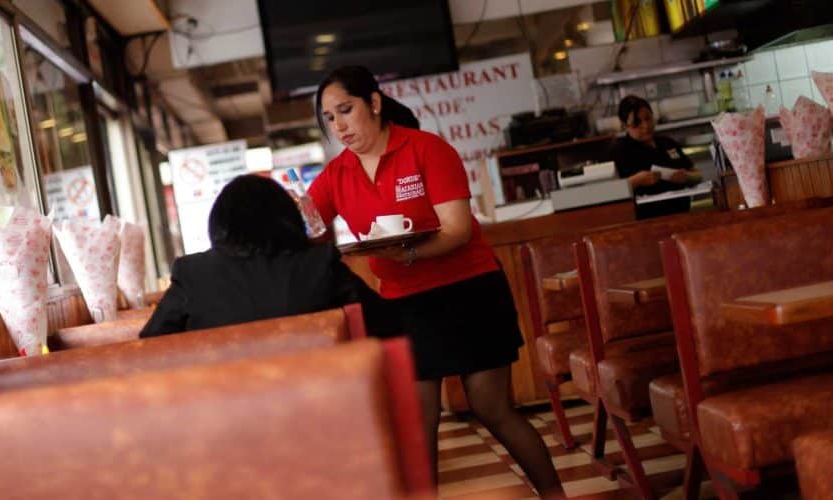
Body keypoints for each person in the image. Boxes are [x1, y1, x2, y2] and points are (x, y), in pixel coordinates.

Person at [308, 66, 564, 498]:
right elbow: (305, 223)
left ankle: (555, 494)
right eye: (329, 118)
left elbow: (458, 229)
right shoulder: (337, 174)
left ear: (374, 103)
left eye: (346, 110)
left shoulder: (426, 149)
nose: (339, 126)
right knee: (417, 421)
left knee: (491, 407)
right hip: (403, 306)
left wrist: (406, 254)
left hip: (469, 291)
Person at [140, 174, 378, 337]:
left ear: (219, 222)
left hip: (219, 394)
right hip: (327, 391)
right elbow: (384, 321)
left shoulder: (192, 274)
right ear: (287, 218)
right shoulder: (320, 264)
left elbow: (151, 344)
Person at [608, 95, 702, 218]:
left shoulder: (667, 143)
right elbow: (610, 192)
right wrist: (636, 181)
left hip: (683, 214)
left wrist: (687, 177)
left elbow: (698, 175)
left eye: (648, 118)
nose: (646, 126)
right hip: (647, 220)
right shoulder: (620, 152)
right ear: (625, 126)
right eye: (637, 123)